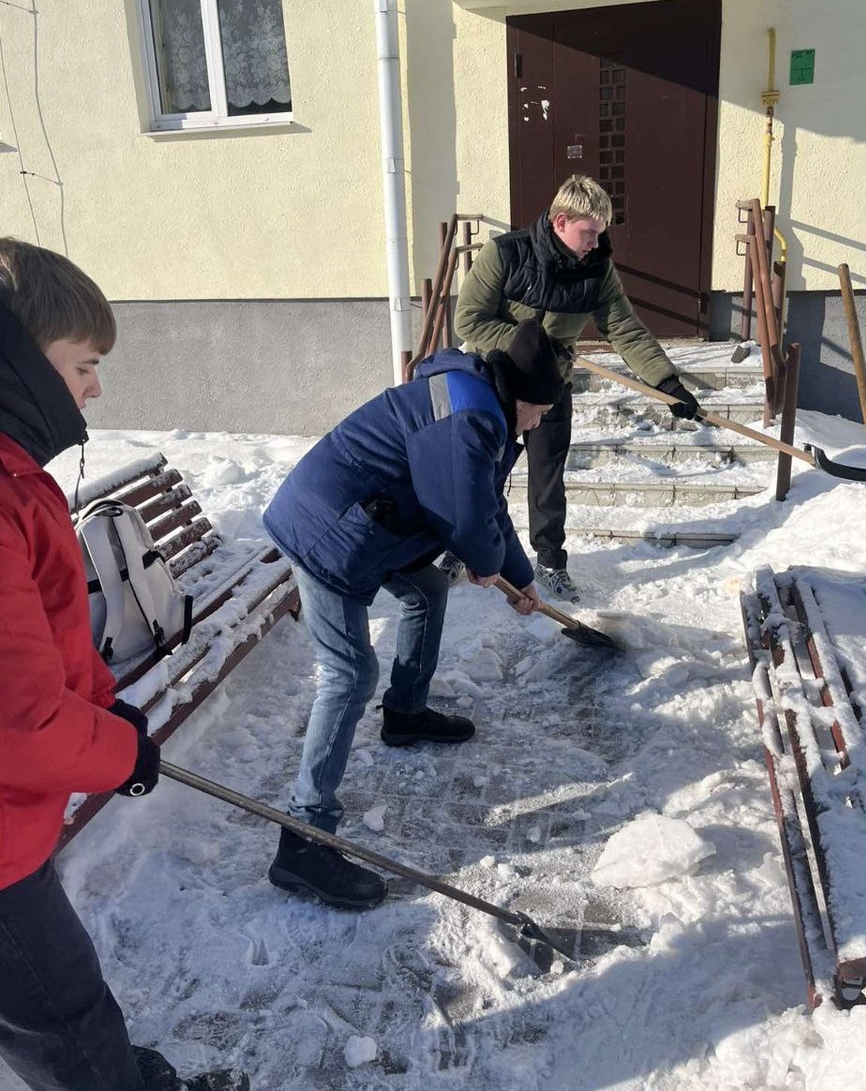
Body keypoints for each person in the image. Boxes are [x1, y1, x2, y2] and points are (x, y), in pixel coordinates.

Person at [0, 238, 247, 1091]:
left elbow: (43, 644)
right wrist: (119, 753)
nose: (95, 389)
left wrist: (106, 714)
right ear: (18, 360)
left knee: (53, 1004)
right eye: (83, 366)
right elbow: (21, 722)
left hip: (13, 816)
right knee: (64, 1013)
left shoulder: (15, 477)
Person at [262, 319, 565, 910]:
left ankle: (404, 714)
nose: (539, 424)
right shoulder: (471, 417)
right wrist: (485, 562)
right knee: (350, 675)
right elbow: (464, 519)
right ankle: (303, 837)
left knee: (426, 589)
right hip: (329, 531)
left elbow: (485, 503)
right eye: (542, 413)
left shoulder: (481, 402)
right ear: (525, 397)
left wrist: (518, 576)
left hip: (371, 520)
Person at [454, 174, 700, 603]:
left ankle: (550, 562)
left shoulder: (597, 269)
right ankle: (460, 547)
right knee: (479, 471)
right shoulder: (505, 254)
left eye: (600, 233)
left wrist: (666, 381)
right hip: (493, 384)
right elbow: (469, 321)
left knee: (548, 479)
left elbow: (623, 328)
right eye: (589, 232)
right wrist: (530, 346)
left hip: (550, 389)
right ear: (561, 221)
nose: (594, 242)